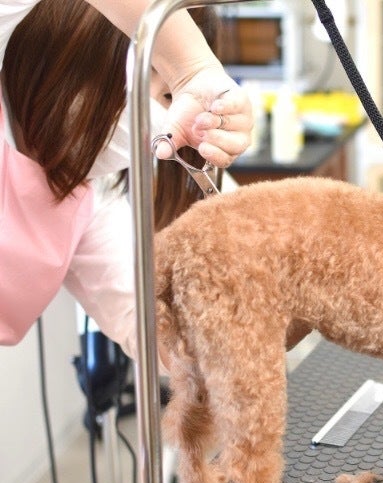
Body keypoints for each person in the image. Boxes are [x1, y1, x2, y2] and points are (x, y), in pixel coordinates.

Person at [0, 0, 252, 360]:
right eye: (144, 76)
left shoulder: (87, 202)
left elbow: (147, 326)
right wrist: (193, 68)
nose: (159, 114)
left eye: (168, 96)